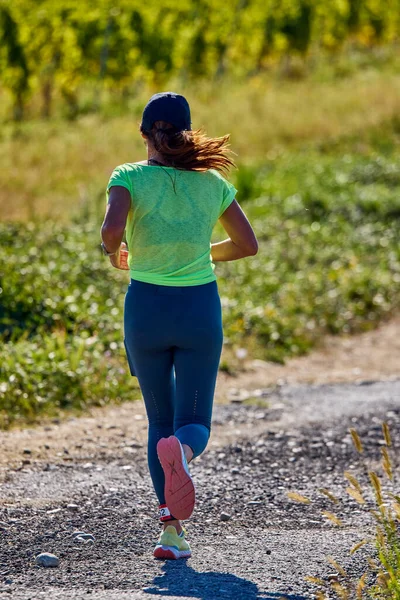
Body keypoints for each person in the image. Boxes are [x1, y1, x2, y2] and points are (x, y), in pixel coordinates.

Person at [101, 92, 258, 560]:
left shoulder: (127, 177)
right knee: (193, 425)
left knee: (159, 422)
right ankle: (184, 454)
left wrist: (116, 254)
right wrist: (203, 252)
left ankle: (171, 533)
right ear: (188, 133)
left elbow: (111, 233)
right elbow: (246, 244)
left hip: (145, 310)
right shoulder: (211, 183)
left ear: (144, 132)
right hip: (198, 312)